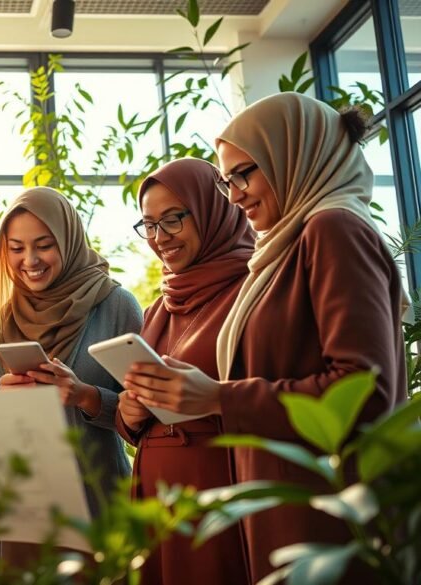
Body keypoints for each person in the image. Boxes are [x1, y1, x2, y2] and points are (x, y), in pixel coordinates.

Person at [124, 93, 407, 583]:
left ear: (292, 155)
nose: (234, 195)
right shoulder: (284, 249)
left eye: (244, 173)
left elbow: (364, 390)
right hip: (285, 506)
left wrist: (216, 396)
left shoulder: (332, 228)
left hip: (320, 514)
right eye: (226, 180)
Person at [117, 157, 252, 585]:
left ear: (215, 209)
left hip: (218, 492)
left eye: (173, 219)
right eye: (149, 225)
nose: (160, 238)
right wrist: (129, 415)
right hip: (158, 499)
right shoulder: (160, 306)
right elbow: (140, 415)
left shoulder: (252, 290)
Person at [0, 186, 140, 565]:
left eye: (44, 244)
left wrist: (85, 395)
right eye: (17, 247)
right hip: (25, 511)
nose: (30, 260)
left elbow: (147, 418)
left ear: (68, 240)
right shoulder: (1, 322)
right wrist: (1, 407)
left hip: (98, 501)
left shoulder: (115, 305)